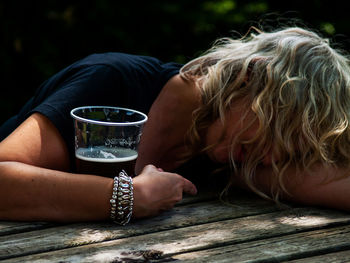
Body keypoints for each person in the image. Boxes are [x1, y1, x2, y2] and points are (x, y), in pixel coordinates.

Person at [1, 25, 350, 223]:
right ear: (248, 78)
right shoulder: (112, 81)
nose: (274, 159)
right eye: (279, 130)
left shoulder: (228, 152)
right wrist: (130, 197)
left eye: (291, 147)